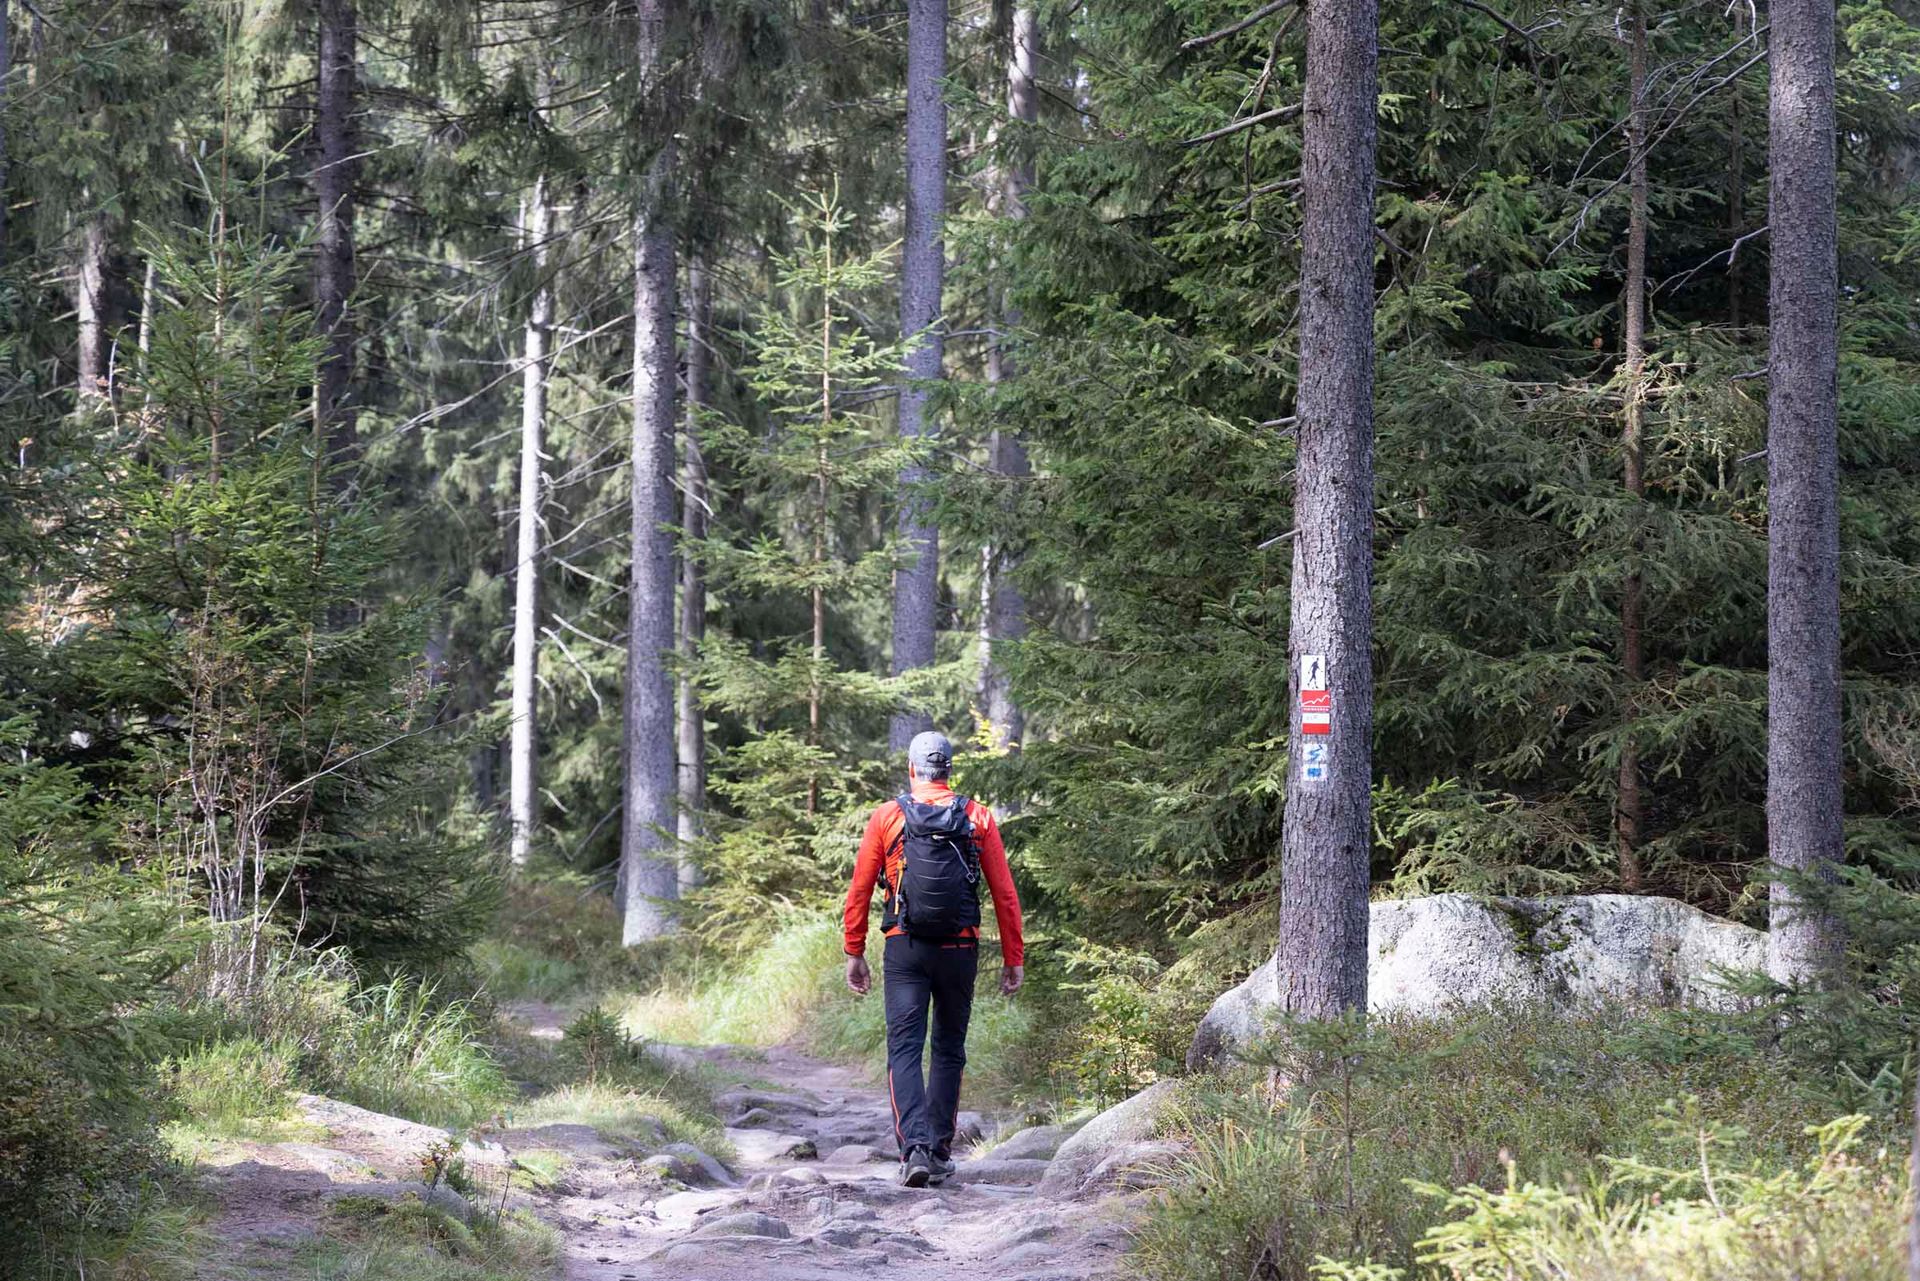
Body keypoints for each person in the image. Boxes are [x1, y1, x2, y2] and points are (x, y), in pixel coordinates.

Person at [841, 730, 1024, 1187]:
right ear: (948, 771)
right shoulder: (977, 816)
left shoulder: (887, 816)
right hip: (960, 946)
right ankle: (940, 1150)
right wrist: (1013, 956)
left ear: (912, 769)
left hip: (905, 944)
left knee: (904, 1048)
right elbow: (1004, 893)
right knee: (948, 1049)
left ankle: (915, 1149)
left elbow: (861, 889)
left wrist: (854, 951)